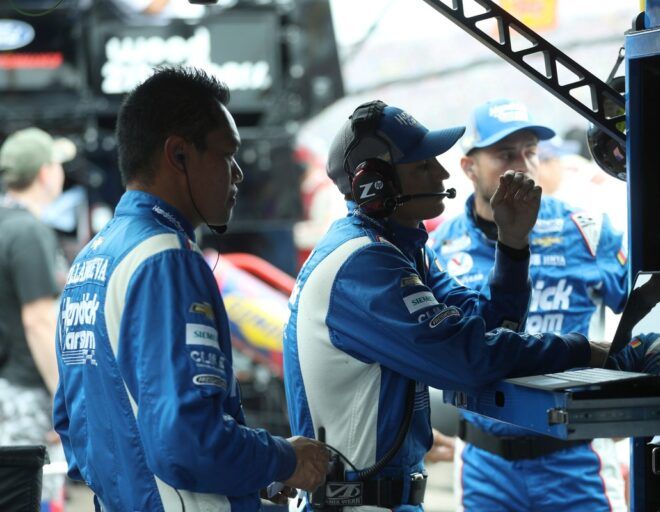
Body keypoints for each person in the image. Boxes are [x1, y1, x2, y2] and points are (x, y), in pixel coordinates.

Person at [282, 100, 610, 511]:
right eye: (422, 166)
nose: (441, 173)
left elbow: (487, 326)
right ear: (375, 184)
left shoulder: (405, 250)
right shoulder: (363, 262)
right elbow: (465, 361)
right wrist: (583, 350)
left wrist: (512, 244)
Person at [53, 66, 328, 511]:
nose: (237, 174)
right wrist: (284, 458)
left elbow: (72, 427)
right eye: (227, 154)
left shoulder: (90, 259)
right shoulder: (167, 258)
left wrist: (246, 473)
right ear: (179, 154)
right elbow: (188, 441)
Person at [430, 98, 660, 511]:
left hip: (576, 459)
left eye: (531, 152)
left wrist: (635, 395)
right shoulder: (442, 246)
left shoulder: (585, 231)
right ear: (469, 168)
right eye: (505, 154)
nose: (522, 166)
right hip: (484, 464)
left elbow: (651, 319)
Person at [0, 126, 72, 508]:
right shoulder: (28, 232)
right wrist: (67, 398)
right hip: (28, 395)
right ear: (45, 173)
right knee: (33, 497)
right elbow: (39, 321)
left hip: (7, 389)